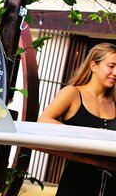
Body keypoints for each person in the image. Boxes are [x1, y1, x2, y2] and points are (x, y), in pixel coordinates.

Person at [38, 42, 116, 196]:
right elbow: (44, 121)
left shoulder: (114, 103)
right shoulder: (72, 93)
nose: (115, 72)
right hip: (77, 183)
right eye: (111, 66)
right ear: (93, 66)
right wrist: (85, 134)